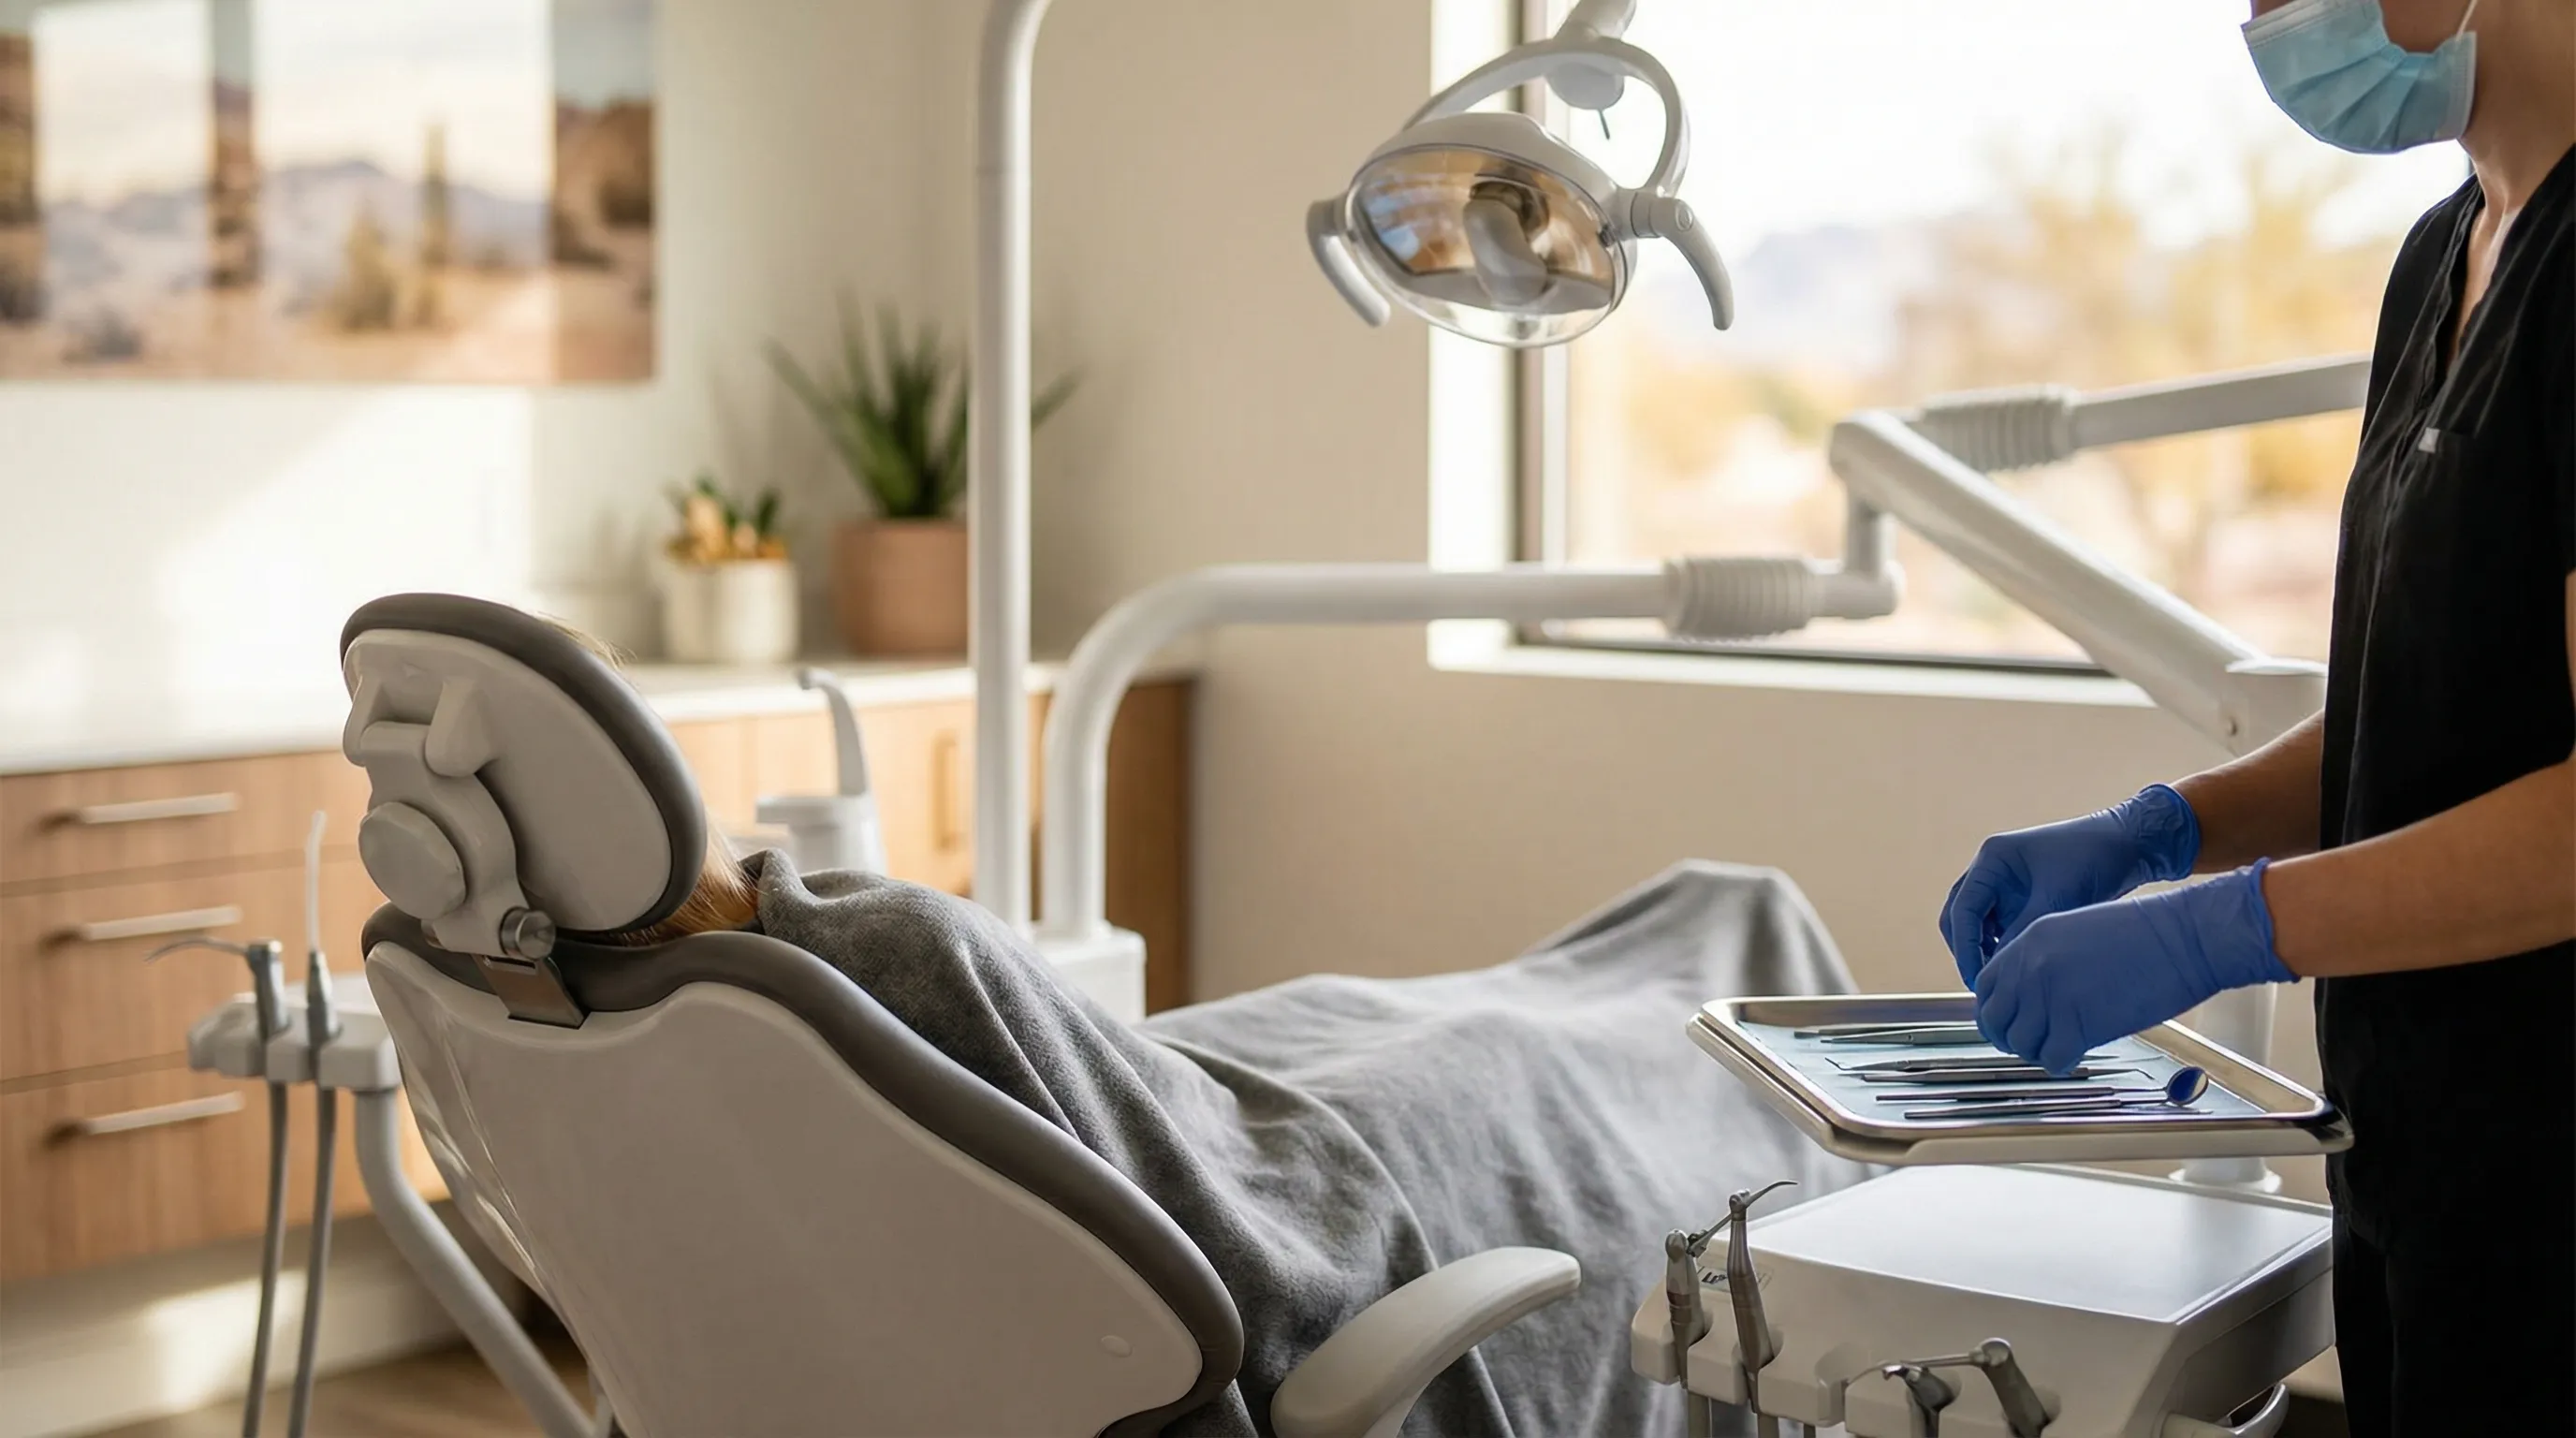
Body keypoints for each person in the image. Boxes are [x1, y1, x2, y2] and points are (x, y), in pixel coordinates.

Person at [1938, 1, 2571, 1431]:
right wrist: (2166, 832)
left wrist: (2232, 927)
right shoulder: (2446, 256)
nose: (2266, 22)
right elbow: (2438, 698)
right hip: (2420, 1155)